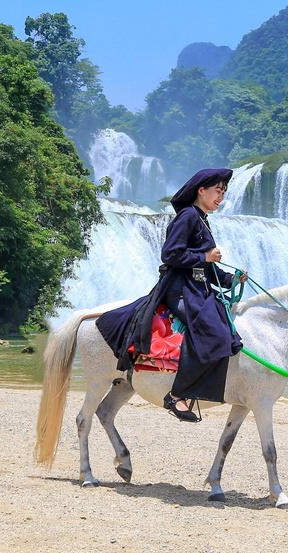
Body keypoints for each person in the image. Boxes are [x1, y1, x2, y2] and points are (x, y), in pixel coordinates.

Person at [97, 168, 248, 422]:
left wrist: (231, 279)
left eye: (223, 192)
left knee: (224, 327)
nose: (221, 197)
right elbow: (170, 254)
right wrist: (204, 256)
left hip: (197, 288)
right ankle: (176, 395)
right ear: (201, 190)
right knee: (211, 331)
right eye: (217, 191)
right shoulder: (187, 217)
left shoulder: (202, 220)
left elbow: (207, 268)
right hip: (180, 289)